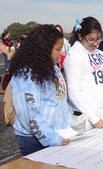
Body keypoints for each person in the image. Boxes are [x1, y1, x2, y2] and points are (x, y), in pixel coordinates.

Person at [9, 25, 72, 156]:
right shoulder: (25, 75)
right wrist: (52, 139)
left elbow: (59, 100)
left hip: (58, 134)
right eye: (58, 49)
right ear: (44, 49)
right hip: (36, 140)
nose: (61, 52)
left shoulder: (52, 67)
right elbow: (29, 115)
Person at [64, 17, 103, 131]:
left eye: (98, 39)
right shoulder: (75, 55)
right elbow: (74, 92)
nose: (95, 43)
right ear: (80, 36)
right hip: (86, 117)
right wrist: (94, 119)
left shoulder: (101, 54)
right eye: (91, 39)